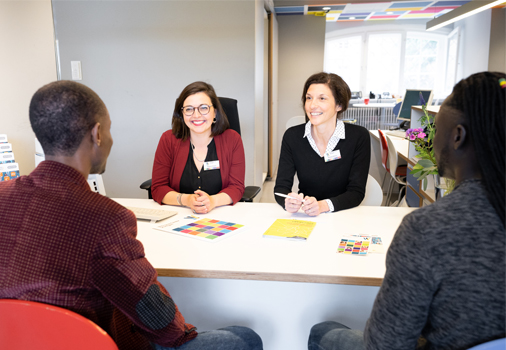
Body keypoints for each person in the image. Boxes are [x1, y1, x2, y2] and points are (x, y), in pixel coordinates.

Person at [0, 81, 262, 350]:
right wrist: (182, 333)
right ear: (97, 134)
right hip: (96, 341)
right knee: (245, 338)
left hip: (15, 340)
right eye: (110, 128)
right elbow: (161, 322)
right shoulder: (107, 218)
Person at [308, 71, 506, 349]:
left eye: (434, 130)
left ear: (458, 137)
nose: (428, 138)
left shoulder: (428, 228)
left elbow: (385, 344)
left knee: (323, 332)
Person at [274, 72, 370, 216]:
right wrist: (287, 201)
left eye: (322, 98)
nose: (312, 105)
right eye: (309, 98)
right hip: (306, 215)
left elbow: (356, 192)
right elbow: (281, 188)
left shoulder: (358, 137)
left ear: (339, 105)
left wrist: (322, 205)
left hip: (343, 214)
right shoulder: (292, 136)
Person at [151, 81, 245, 214]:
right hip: (178, 215)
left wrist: (212, 201)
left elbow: (236, 187)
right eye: (189, 109)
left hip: (221, 214)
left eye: (204, 108)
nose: (196, 115)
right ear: (182, 115)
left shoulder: (232, 139)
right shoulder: (168, 140)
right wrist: (187, 200)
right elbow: (158, 188)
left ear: (215, 113)